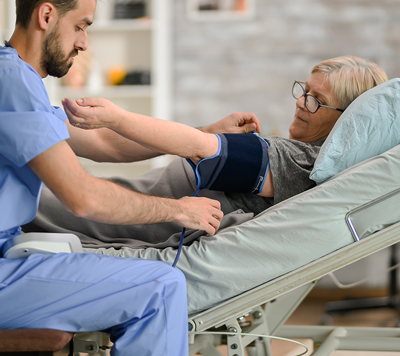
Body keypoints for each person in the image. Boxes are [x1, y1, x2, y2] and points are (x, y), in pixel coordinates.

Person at [0, 0, 259, 355]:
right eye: (81, 26)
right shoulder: (12, 84)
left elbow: (105, 144)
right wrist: (178, 209)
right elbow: (84, 197)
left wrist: (204, 135)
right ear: (47, 15)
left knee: (154, 284)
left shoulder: (20, 82)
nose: (84, 43)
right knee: (161, 286)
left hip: (9, 253)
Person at [27, 55, 388, 252]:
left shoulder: (300, 161)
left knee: (33, 208)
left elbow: (200, 149)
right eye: (303, 90)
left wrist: (118, 118)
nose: (300, 102)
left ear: (345, 120)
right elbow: (200, 143)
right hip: (147, 193)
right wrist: (209, 131)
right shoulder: (299, 155)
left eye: (316, 100)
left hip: (147, 210)